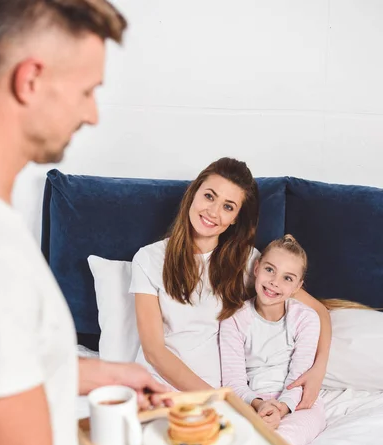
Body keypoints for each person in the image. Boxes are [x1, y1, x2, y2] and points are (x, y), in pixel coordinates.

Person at [0, 3, 299, 445]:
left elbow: (2, 372)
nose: (95, 113)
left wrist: (98, 371)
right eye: (87, 90)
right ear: (30, 79)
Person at [131, 157, 332, 407]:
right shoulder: (149, 258)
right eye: (209, 196)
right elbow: (154, 352)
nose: (213, 212)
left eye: (228, 207)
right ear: (193, 194)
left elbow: (319, 312)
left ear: (236, 217)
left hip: (220, 397)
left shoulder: (250, 262)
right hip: (160, 390)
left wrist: (318, 370)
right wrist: (220, 401)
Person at [220, 235, 326, 445]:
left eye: (288, 278)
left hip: (296, 404)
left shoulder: (305, 318)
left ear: (298, 286)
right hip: (250, 401)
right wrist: (259, 405)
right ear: (257, 268)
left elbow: (299, 377)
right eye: (270, 270)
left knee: (284, 440)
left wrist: (281, 408)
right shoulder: (234, 319)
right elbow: (234, 382)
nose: (274, 282)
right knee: (231, 435)